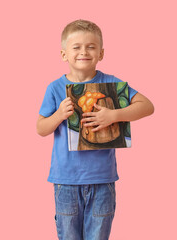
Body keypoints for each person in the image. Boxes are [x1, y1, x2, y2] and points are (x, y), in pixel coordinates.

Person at [37, 19, 154, 240]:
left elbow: (147, 106)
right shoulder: (54, 88)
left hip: (102, 179)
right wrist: (58, 115)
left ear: (101, 53)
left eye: (91, 46)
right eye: (77, 47)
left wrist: (114, 115)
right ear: (64, 54)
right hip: (66, 181)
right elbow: (40, 128)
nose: (84, 51)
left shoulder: (112, 84)